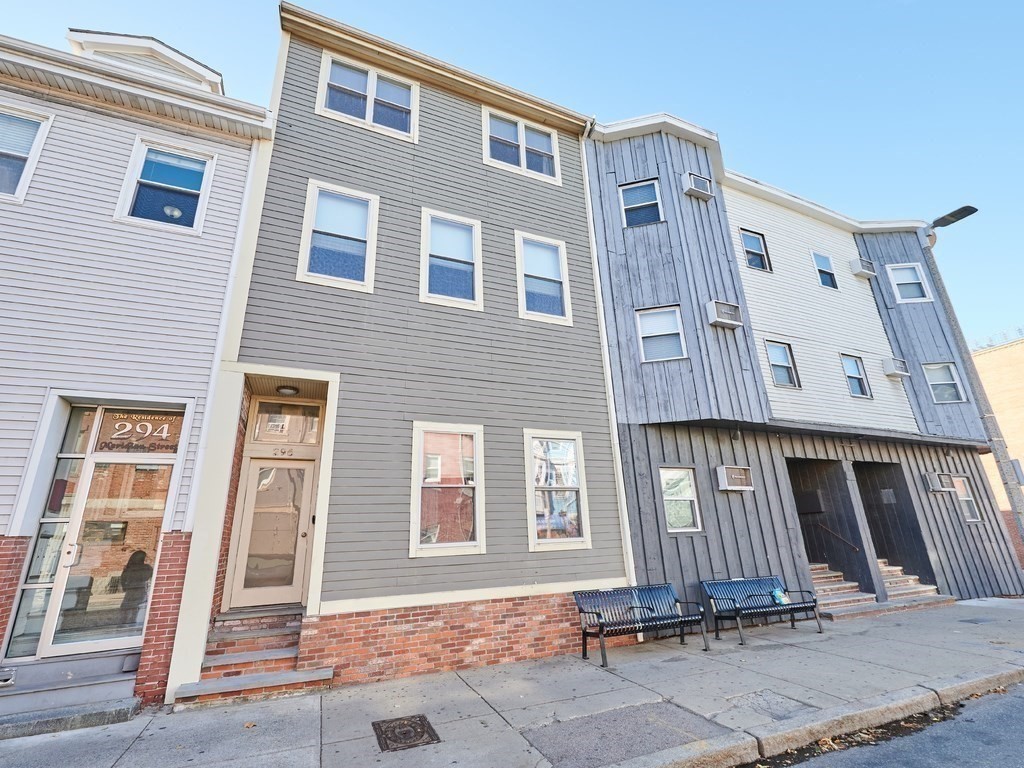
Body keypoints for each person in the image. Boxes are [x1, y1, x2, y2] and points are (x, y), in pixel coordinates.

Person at [119, 550, 153, 627]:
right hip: (140, 590)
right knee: (135, 609)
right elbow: (152, 576)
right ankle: (132, 623)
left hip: (131, 590)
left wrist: (125, 588)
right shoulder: (147, 568)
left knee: (126, 608)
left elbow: (123, 579)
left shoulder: (129, 568)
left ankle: (123, 624)